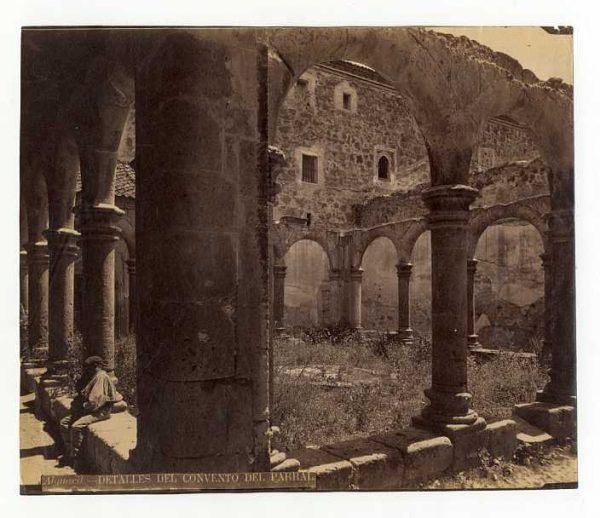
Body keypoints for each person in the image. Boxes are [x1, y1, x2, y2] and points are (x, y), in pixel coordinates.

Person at [58, 356, 123, 468]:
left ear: (96, 366)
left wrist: (82, 407)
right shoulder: (95, 376)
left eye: (89, 367)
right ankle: (70, 451)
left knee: (75, 426)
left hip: (100, 412)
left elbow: (95, 402)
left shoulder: (100, 377)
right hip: (92, 409)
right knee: (63, 423)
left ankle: (77, 457)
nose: (87, 369)